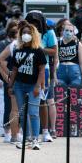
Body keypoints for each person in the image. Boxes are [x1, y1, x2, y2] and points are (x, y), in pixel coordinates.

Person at [8, 21, 46, 150]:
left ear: (33, 35)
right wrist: (10, 85)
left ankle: (35, 139)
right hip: (19, 84)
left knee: (33, 112)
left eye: (28, 33)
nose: (26, 35)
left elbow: (42, 70)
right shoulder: (17, 49)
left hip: (33, 85)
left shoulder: (38, 51)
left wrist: (37, 86)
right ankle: (26, 138)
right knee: (22, 112)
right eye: (23, 32)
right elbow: (14, 69)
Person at [25, 11, 57, 142]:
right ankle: (28, 133)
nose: (33, 25)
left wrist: (38, 48)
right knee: (26, 101)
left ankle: (45, 131)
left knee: (42, 100)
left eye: (36, 22)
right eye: (31, 22)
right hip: (26, 68)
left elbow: (54, 51)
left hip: (43, 69)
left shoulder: (49, 33)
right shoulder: (25, 33)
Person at [0, 20, 20, 143]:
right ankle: (7, 131)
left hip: (21, 79)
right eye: (13, 31)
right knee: (8, 106)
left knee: (19, 106)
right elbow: (0, 62)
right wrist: (8, 77)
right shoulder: (5, 44)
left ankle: (17, 130)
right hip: (9, 78)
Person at [56, 22, 82, 88]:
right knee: (61, 96)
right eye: (66, 30)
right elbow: (55, 61)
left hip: (75, 71)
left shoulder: (78, 44)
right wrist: (54, 77)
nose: (68, 32)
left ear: (74, 33)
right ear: (62, 31)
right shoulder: (58, 43)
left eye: (71, 31)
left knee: (74, 95)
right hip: (61, 71)